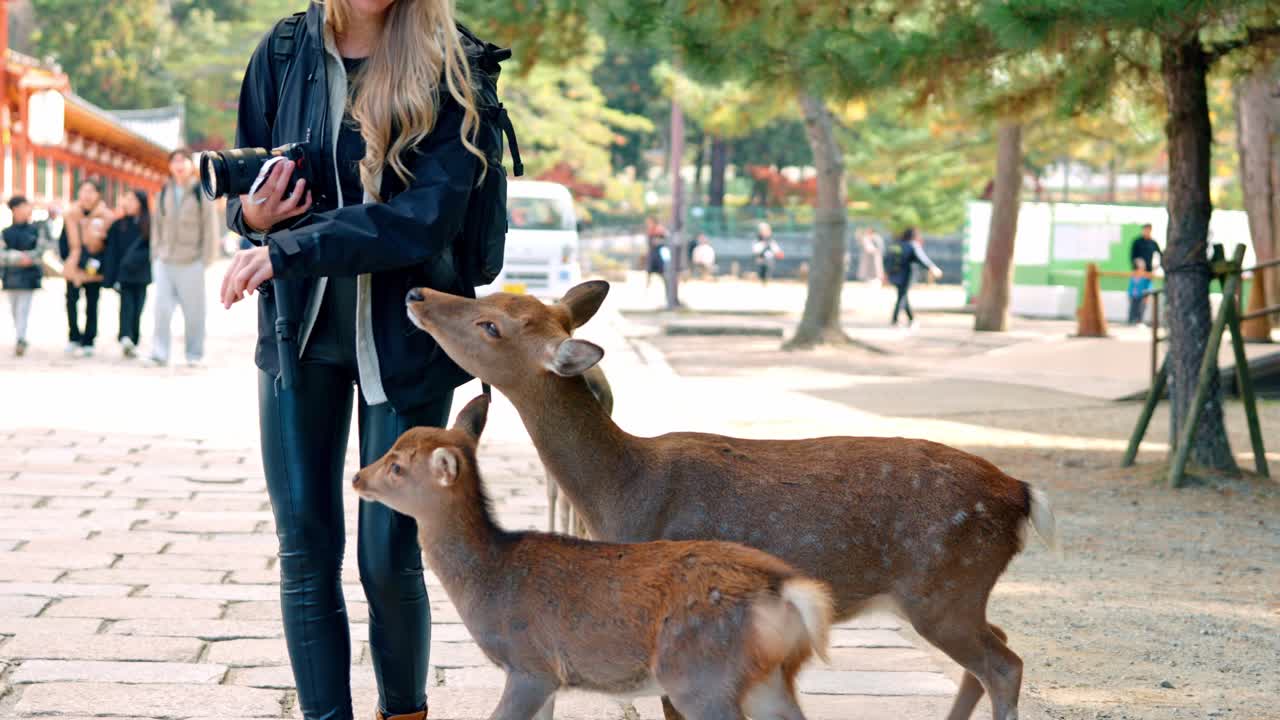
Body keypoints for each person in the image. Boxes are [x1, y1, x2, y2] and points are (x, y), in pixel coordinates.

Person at [218, 2, 494, 718]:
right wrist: (253, 221)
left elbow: (424, 221)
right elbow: (245, 188)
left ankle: (404, 711)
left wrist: (289, 247)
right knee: (306, 547)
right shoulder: (282, 52)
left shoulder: (451, 62)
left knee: (387, 554)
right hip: (297, 335)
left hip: (405, 340)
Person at [149, 148, 221, 368]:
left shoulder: (201, 191)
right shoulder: (164, 191)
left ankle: (194, 354)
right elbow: (157, 226)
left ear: (191, 165)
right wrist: (155, 254)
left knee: (194, 312)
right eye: (175, 161)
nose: (179, 165)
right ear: (170, 166)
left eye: (183, 161)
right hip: (165, 259)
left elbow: (210, 227)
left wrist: (207, 259)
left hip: (191, 260)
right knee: (161, 309)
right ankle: (159, 353)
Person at [60, 179, 113, 357]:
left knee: (92, 303)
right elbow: (63, 240)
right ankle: (73, 336)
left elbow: (109, 244)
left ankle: (89, 339)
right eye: (83, 190)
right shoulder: (70, 214)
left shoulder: (106, 217)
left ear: (98, 194)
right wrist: (67, 258)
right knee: (71, 302)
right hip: (73, 264)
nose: (87, 195)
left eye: (91, 191)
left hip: (94, 266)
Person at [104, 191, 152, 357]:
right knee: (126, 306)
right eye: (127, 199)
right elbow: (111, 251)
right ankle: (125, 337)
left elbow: (154, 248)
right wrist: (110, 276)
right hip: (124, 274)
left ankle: (134, 338)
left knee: (139, 307)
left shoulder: (149, 223)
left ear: (141, 202)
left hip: (142, 273)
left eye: (133, 199)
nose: (129, 202)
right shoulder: (118, 224)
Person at [2, 196, 44, 356]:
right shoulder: (6, 233)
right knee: (14, 309)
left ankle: (21, 337)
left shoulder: (35, 230)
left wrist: (29, 258)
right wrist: (19, 258)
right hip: (11, 276)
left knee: (23, 308)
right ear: (15, 210)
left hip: (28, 276)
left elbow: (40, 250)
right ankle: (20, 335)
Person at [885, 227, 942, 328]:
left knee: (903, 296)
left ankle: (911, 319)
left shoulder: (896, 244)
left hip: (894, 274)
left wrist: (886, 273)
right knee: (902, 297)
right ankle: (895, 320)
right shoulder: (912, 245)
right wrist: (932, 267)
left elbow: (886, 258)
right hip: (906, 275)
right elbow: (922, 259)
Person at [752, 221, 782, 285]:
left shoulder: (771, 241)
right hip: (761, 258)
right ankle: (762, 279)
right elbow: (756, 250)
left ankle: (766, 279)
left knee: (768, 266)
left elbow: (776, 249)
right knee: (761, 268)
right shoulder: (758, 241)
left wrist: (777, 252)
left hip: (769, 259)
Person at [1128, 257, 1153, 326]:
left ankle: (1139, 321)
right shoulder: (1133, 274)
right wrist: (1129, 294)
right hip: (1133, 295)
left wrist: (1147, 295)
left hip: (1142, 295)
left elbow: (1149, 286)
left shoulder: (1146, 275)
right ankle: (1131, 321)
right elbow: (1131, 286)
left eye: (1142, 264)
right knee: (1133, 309)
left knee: (1141, 309)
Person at [644, 216, 668, 288]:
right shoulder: (650, 230)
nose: (648, 224)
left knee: (662, 273)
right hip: (652, 254)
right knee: (649, 272)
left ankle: (667, 287)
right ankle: (647, 287)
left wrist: (659, 241)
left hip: (658, 255)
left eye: (650, 222)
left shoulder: (660, 230)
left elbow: (666, 240)